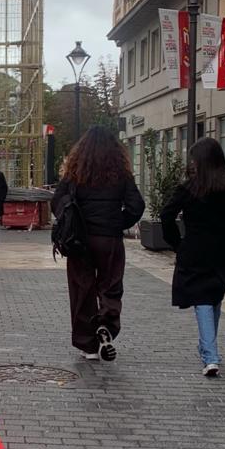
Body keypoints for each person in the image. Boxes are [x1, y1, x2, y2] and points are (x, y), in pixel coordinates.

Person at [159, 137, 225, 377]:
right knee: (212, 297)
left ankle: (210, 355)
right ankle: (209, 349)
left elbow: (166, 215)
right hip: (223, 250)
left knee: (205, 300)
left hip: (194, 249)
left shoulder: (189, 187)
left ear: (202, 161)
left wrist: (177, 243)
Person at [51, 126, 145, 361]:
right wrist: (117, 222)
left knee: (82, 288)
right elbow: (137, 206)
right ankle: (106, 325)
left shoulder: (75, 172)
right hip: (110, 238)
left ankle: (88, 344)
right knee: (110, 286)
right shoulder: (121, 173)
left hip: (79, 240)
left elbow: (56, 202)